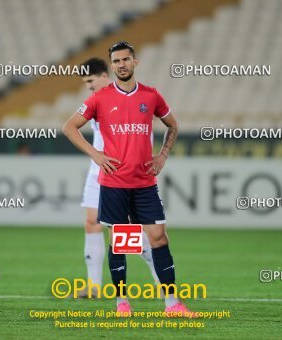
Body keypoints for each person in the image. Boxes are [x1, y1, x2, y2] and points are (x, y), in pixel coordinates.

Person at [63, 42, 195, 316]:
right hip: (114, 183)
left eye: (125, 59)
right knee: (122, 241)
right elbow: (69, 126)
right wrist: (96, 154)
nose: (121, 64)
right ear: (111, 66)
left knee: (159, 238)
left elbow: (173, 125)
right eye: (116, 61)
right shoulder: (100, 97)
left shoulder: (151, 95)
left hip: (145, 183)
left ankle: (172, 305)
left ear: (135, 61)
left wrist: (163, 156)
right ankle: (122, 303)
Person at [76, 57, 160, 298]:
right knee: (92, 222)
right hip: (98, 170)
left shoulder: (128, 97)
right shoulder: (94, 101)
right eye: (85, 82)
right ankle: (93, 286)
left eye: (90, 81)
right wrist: (95, 155)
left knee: (126, 232)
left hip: (120, 173)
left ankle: (160, 279)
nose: (89, 86)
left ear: (104, 75)